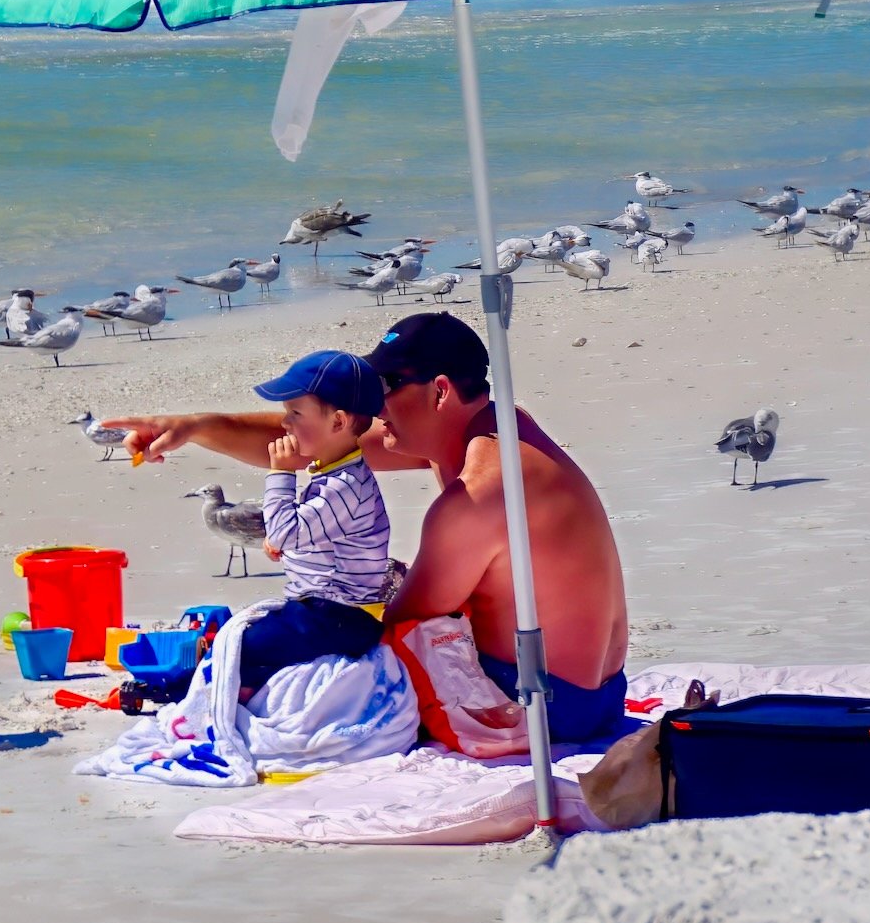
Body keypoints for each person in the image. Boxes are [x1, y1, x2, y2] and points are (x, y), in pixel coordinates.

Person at [111, 312, 628, 743]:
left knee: (317, 652)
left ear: (440, 391)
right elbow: (314, 437)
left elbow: (395, 624)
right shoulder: (500, 426)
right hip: (597, 690)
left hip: (541, 703)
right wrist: (195, 427)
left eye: (383, 389)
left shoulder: (479, 492)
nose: (369, 408)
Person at [236, 349, 391, 694]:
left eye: (295, 413)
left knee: (242, 647)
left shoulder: (346, 486)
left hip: (341, 616)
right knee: (252, 638)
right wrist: (284, 544)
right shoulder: (338, 472)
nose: (284, 424)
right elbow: (311, 533)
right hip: (328, 608)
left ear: (337, 422)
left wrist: (280, 473)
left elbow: (287, 530)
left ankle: (228, 694)